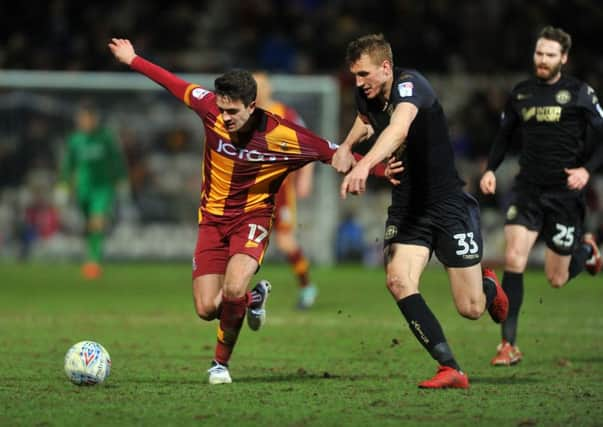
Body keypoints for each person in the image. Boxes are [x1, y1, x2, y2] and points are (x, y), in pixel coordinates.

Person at [108, 38, 386, 385]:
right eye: (221, 110)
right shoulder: (209, 107)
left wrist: (381, 170)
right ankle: (257, 297)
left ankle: (219, 365)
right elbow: (172, 82)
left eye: (232, 112)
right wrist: (133, 59)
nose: (224, 118)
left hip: (251, 220)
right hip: (211, 222)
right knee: (207, 308)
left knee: (235, 286)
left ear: (252, 106)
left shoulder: (284, 134)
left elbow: (337, 155)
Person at [333, 33, 509, 389]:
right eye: (354, 75)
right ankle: (450, 368)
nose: (358, 82)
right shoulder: (366, 93)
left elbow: (398, 128)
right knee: (398, 281)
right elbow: (367, 119)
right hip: (408, 206)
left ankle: (488, 286)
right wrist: (347, 144)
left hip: (447, 203)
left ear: (386, 68)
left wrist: (364, 165)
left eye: (364, 74)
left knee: (471, 308)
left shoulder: (413, 86)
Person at [479, 26, 603, 366]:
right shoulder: (521, 94)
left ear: (563, 58)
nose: (543, 60)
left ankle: (587, 253)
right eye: (539, 53)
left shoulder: (579, 93)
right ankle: (508, 345)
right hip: (528, 189)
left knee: (556, 278)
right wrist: (490, 169)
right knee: (515, 258)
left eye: (550, 55)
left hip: (565, 195)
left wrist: (586, 170)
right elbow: (504, 136)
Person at [253, 71, 318, 309]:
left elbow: (310, 144)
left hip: (280, 190)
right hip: (250, 190)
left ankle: (307, 287)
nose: (258, 90)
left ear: (269, 88)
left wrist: (305, 178)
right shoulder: (242, 115)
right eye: (254, 86)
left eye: (261, 85)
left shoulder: (286, 114)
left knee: (285, 242)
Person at [57, 101, 128, 279]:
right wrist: (63, 186)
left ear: (95, 119)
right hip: (83, 189)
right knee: (89, 225)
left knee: (97, 221)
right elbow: (68, 165)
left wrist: (122, 180)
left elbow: (117, 161)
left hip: (103, 188)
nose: (86, 121)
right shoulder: (75, 141)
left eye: (89, 118)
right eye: (83, 118)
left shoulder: (106, 138)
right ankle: (92, 254)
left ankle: (93, 262)